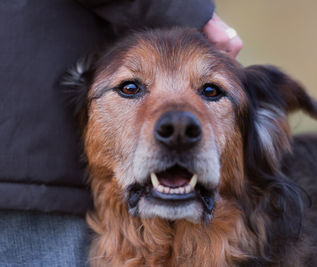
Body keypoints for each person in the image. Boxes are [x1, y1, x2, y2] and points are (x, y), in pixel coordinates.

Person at [0, 0, 242, 266]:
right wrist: (187, 11)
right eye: (130, 88)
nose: (178, 126)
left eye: (210, 91)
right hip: (32, 177)